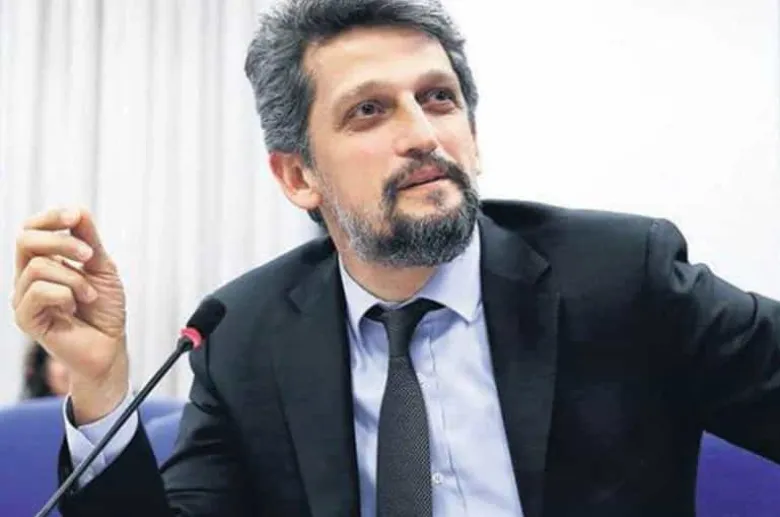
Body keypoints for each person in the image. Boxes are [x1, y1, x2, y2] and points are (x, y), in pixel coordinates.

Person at [10, 0, 780, 515]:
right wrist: (101, 388)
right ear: (297, 176)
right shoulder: (246, 334)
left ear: (473, 135)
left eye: (439, 99)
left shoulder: (621, 276)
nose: (422, 134)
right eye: (370, 110)